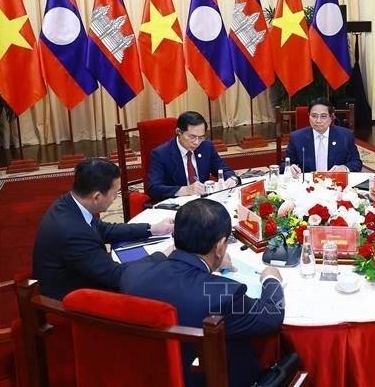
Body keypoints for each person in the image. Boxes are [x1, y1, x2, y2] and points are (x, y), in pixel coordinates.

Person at [120, 199, 284, 387]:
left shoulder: (132, 275)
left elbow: (150, 262)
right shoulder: (223, 294)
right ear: (220, 245)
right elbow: (272, 317)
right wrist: (271, 279)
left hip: (148, 377)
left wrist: (212, 260)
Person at [32, 158, 174, 301]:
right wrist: (162, 255)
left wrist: (152, 229)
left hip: (87, 275)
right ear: (97, 197)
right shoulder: (73, 232)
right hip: (74, 301)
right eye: (114, 194)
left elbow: (105, 230)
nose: (115, 199)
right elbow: (116, 276)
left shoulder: (70, 203)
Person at [147, 111, 239, 200]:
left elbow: (223, 169)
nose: (197, 142)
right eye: (192, 137)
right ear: (178, 132)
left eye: (201, 137)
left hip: (204, 203)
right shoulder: (161, 154)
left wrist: (232, 179)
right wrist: (185, 190)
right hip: (177, 205)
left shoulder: (206, 146)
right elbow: (154, 188)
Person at [285, 96, 363, 175]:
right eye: (314, 116)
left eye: (323, 116)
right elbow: (284, 164)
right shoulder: (296, 138)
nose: (318, 121)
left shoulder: (345, 136)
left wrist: (345, 168)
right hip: (308, 184)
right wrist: (290, 167)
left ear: (331, 117)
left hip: (336, 182)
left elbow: (356, 162)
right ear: (309, 116)